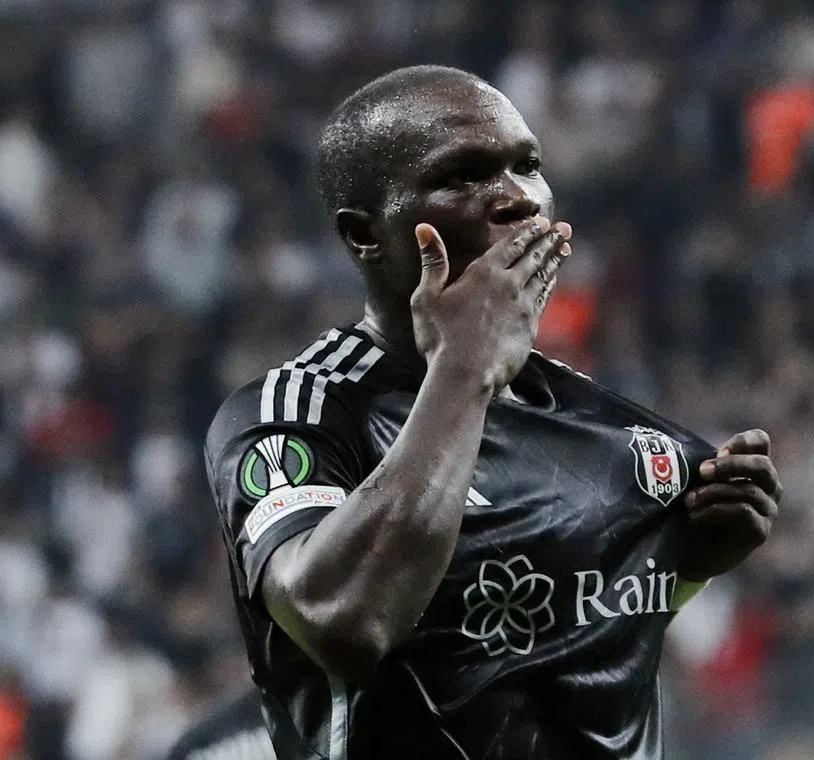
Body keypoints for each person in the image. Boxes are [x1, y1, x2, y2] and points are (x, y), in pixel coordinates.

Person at [203, 64, 782, 759]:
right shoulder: (299, 415)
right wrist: (465, 369)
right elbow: (342, 619)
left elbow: (560, 650)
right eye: (463, 175)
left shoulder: (623, 439)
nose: (515, 199)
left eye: (527, 166)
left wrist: (686, 565)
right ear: (365, 235)